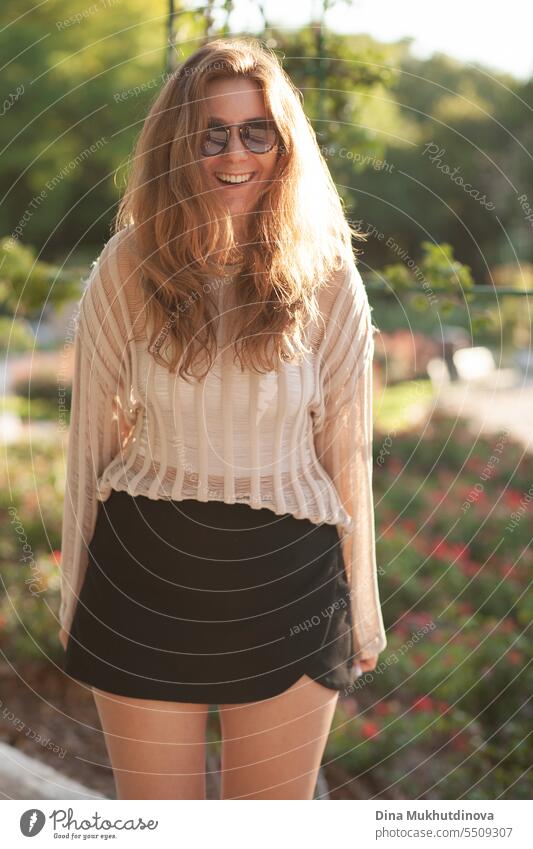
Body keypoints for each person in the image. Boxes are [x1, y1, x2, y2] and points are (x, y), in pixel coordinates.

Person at [58, 37, 387, 800]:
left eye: (255, 130)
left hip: (291, 582)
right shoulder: (127, 263)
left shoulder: (329, 273)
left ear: (282, 142)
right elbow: (90, 443)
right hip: (143, 574)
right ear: (178, 144)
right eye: (211, 132)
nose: (233, 152)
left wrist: (362, 608)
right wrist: (75, 594)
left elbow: (349, 452)